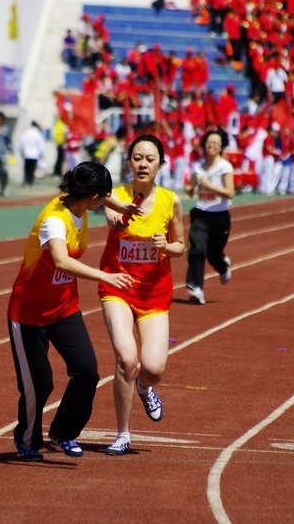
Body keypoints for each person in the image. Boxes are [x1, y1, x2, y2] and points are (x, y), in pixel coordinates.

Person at [7, 161, 140, 461]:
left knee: (87, 371)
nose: (105, 201)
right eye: (103, 197)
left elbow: (105, 197)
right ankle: (26, 440)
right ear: (92, 198)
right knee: (39, 385)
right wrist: (106, 276)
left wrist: (121, 206)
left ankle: (64, 432)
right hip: (28, 314)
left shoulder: (79, 202)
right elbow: (61, 261)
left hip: (64, 309)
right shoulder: (55, 220)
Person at [98, 134, 185, 456]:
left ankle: (145, 387)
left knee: (153, 368)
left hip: (154, 294)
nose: (143, 164)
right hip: (118, 286)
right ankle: (123, 434)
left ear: (161, 164)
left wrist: (168, 247)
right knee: (126, 359)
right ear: (129, 162)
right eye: (137, 158)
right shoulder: (116, 196)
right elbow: (114, 222)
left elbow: (181, 245)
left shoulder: (171, 201)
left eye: (150, 159)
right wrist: (121, 218)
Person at [185, 129, 234, 305]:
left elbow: (229, 192)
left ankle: (223, 266)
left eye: (215, 143)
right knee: (197, 250)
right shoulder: (198, 168)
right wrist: (191, 188)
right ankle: (196, 289)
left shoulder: (225, 167)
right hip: (201, 214)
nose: (211, 145)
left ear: (221, 147)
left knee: (213, 254)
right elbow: (189, 190)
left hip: (220, 216)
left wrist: (208, 185)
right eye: (208, 142)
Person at [19, 120, 46, 186]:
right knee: (32, 169)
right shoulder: (37, 134)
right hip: (35, 155)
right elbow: (41, 145)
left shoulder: (26, 132)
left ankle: (25, 180)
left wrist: (22, 153)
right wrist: (41, 155)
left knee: (26, 169)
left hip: (26, 154)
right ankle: (30, 182)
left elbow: (21, 143)